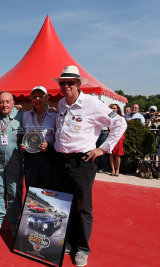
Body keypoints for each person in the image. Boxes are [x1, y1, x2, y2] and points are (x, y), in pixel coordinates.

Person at [52, 65, 127, 267]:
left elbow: (120, 123)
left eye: (70, 82)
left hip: (82, 162)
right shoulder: (60, 103)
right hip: (61, 161)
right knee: (64, 205)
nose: (66, 86)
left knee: (83, 207)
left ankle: (82, 248)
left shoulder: (92, 103)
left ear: (78, 84)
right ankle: (67, 242)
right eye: (63, 82)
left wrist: (103, 148)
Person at [0, 92, 24, 238]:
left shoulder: (21, 116)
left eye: (8, 102)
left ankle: (14, 222)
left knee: (14, 192)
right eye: (1, 102)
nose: (5, 105)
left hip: (14, 161)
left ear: (13, 102)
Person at [19, 86, 57, 190]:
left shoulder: (55, 115)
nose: (37, 99)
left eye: (40, 96)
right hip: (30, 157)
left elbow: (58, 137)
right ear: (31, 99)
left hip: (48, 157)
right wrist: (22, 145)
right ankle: (31, 207)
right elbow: (23, 135)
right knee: (31, 188)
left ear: (47, 97)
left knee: (47, 187)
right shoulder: (25, 116)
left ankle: (47, 206)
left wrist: (48, 145)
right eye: (34, 97)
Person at [109, 104, 126, 176]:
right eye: (112, 108)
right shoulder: (109, 117)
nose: (113, 110)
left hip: (119, 137)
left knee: (118, 155)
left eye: (115, 108)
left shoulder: (121, 117)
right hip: (110, 137)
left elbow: (123, 127)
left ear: (118, 109)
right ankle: (112, 169)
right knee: (111, 154)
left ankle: (117, 169)